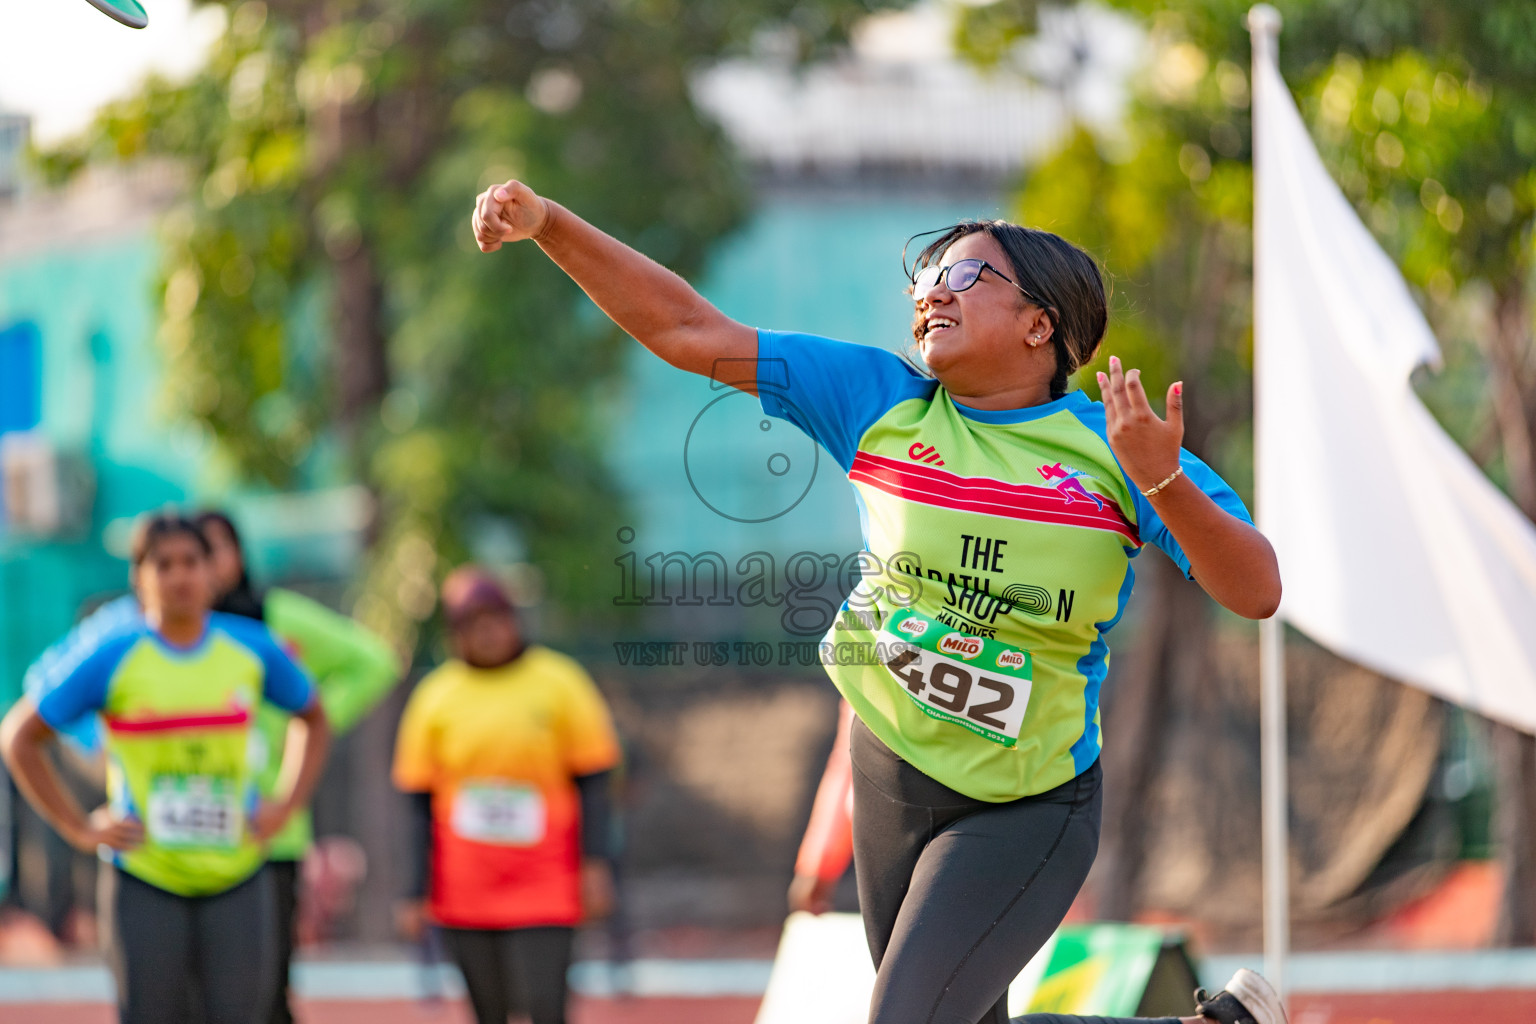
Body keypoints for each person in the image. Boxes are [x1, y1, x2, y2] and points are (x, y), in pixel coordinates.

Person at [469, 181, 1287, 1024]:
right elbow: (688, 331)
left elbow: (1256, 591)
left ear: (1040, 325)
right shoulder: (878, 401)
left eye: (967, 278)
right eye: (928, 277)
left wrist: (1162, 477)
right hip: (889, 771)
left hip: (1025, 804)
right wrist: (551, 226)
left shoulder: (1112, 451)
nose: (932, 290)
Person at [0, 513, 331, 1024]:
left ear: (212, 572)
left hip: (236, 877)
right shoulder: (112, 654)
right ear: (139, 576)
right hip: (144, 879)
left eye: (192, 562)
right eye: (163, 564)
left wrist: (286, 803)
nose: (179, 577)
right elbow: (19, 738)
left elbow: (314, 717)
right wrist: (77, 826)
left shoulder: (250, 647)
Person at [194, 510, 401, 1024]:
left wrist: (308, 723)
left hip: (269, 833)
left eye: (215, 548)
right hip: (184, 842)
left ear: (238, 554)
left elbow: (373, 661)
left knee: (265, 992)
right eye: (181, 555)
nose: (201, 565)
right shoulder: (152, 636)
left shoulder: (274, 621)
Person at [392, 567, 621, 1024]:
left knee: (543, 1006)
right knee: (488, 1009)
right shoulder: (436, 696)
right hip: (465, 886)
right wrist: (415, 890)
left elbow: (594, 781)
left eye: (494, 617)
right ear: (454, 633)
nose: (487, 631)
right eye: (471, 622)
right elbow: (418, 803)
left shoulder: (559, 682)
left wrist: (596, 863)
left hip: (546, 883)